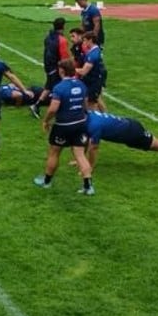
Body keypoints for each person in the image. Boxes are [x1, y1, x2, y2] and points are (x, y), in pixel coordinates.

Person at [35, 59, 95, 195]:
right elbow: (85, 105)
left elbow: (53, 109)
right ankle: (88, 186)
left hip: (63, 126)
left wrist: (46, 121)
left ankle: (47, 181)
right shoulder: (81, 85)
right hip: (80, 124)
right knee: (80, 155)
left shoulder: (59, 88)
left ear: (62, 71)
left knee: (54, 152)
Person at [86, 110, 158, 170]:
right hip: (127, 126)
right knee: (153, 145)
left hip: (131, 131)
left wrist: (89, 166)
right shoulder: (88, 115)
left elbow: (94, 147)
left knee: (154, 144)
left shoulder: (94, 125)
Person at [41, 17, 71, 95]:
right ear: (63, 26)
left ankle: (36, 105)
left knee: (48, 87)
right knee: (58, 88)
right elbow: (64, 57)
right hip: (56, 67)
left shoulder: (48, 37)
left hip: (48, 66)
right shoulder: (62, 40)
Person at [79, 28, 107, 112]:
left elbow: (84, 71)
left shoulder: (93, 54)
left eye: (84, 41)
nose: (83, 43)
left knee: (91, 103)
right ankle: (106, 116)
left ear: (90, 40)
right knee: (96, 99)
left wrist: (72, 69)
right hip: (95, 78)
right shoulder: (94, 50)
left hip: (94, 81)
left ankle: (96, 120)